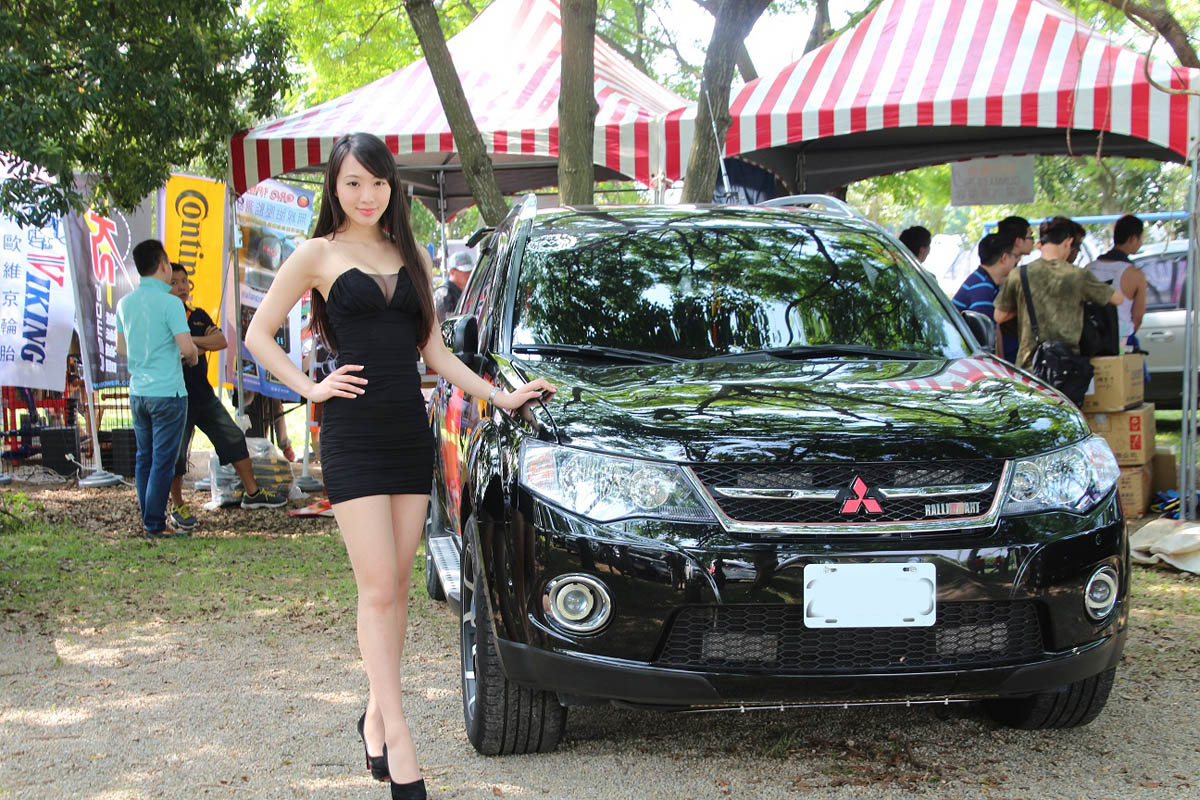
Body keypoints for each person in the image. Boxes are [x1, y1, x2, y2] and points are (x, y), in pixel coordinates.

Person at [244, 132, 556, 800]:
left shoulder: (409, 254)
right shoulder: (317, 254)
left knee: (398, 590)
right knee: (378, 588)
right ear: (335, 186)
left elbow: (435, 354)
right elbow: (257, 334)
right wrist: (312, 389)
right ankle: (400, 738)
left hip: (407, 434)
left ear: (393, 187)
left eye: (378, 182)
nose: (367, 195)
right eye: (353, 182)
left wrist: (501, 396)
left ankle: (374, 717)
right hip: (352, 434)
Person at [166, 263, 286, 529]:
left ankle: (253, 493)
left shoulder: (197, 315)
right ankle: (177, 504)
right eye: (174, 282)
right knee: (176, 453)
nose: (182, 287)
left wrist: (190, 342)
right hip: (176, 396)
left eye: (185, 281)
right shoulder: (163, 317)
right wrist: (197, 342)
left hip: (203, 395)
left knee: (233, 437)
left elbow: (220, 341)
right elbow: (173, 347)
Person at [116, 240, 198, 537]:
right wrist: (192, 356)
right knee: (163, 461)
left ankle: (149, 518)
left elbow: (121, 348)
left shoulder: (124, 304)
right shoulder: (171, 303)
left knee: (144, 458)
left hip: (138, 391)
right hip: (168, 393)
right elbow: (187, 348)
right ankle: (153, 523)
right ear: (163, 265)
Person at [993, 217, 1124, 371]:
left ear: (1041, 243)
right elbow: (1117, 299)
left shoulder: (1019, 274)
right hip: (1067, 367)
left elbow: (999, 316)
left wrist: (1027, 305)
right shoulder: (1077, 275)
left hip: (1030, 367)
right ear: (1068, 242)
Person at [952, 233, 1018, 361]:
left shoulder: (984, 281)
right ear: (1004, 258)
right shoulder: (981, 288)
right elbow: (986, 338)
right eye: (1015, 256)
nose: (1016, 261)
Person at [1086, 214, 1148, 350]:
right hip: (1121, 337)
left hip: (1091, 339)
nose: (1141, 243)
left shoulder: (1088, 268)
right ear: (1132, 238)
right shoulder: (1135, 274)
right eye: (1140, 239)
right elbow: (1138, 317)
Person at [434, 250, 473, 321]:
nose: (469, 274)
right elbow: (445, 324)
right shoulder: (444, 295)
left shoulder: (465, 291)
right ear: (452, 272)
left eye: (470, 270)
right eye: (464, 271)